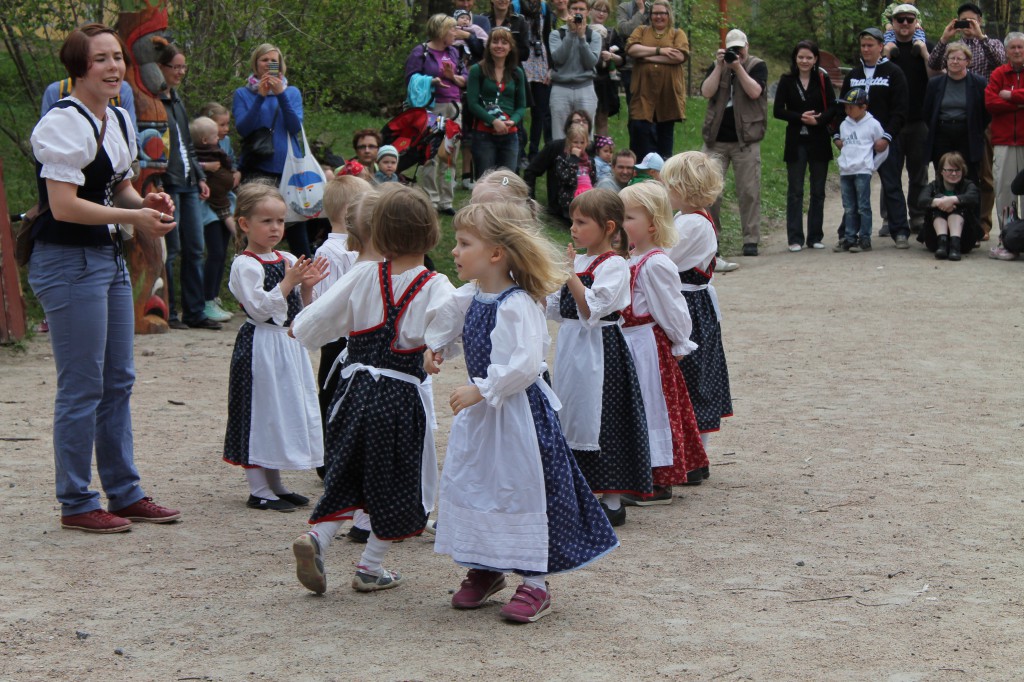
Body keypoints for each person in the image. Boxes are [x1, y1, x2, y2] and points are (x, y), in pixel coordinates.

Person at [429, 201, 618, 623]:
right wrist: (436, 347)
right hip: (483, 419)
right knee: (481, 484)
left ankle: (535, 580)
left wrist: (484, 388)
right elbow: (449, 319)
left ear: (495, 253)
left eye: (463, 244)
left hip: (516, 417)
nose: (454, 252)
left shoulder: (518, 303)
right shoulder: (472, 294)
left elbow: (527, 362)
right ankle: (487, 565)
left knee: (520, 488)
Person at [29, 22, 181, 533]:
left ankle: (124, 491)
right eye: (101, 60)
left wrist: (147, 205)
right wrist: (130, 219)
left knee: (118, 379)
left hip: (105, 260)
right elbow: (65, 206)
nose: (115, 67)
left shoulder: (116, 118)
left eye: (117, 57)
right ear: (78, 69)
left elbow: (118, 190)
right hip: (67, 262)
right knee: (82, 386)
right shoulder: (62, 123)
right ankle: (76, 501)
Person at [290, 185, 455, 594]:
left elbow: (311, 325)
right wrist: (435, 351)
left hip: (354, 392)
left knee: (347, 471)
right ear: (431, 233)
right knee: (399, 482)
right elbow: (451, 332)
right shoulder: (436, 284)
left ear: (376, 233)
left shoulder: (363, 274)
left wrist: (301, 327)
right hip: (400, 399)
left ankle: (317, 538)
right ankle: (370, 566)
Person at [546, 189, 653, 522]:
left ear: (608, 227)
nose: (573, 229)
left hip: (602, 351)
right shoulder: (577, 261)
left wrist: (571, 276)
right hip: (572, 347)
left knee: (604, 415)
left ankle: (612, 499)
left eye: (581, 222)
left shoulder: (616, 265)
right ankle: (579, 490)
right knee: (572, 410)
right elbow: (555, 307)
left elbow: (593, 307)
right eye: (572, 222)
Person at [223, 184, 327, 511]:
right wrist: (288, 282)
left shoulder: (288, 259)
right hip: (261, 346)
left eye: (280, 221)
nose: (275, 228)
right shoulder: (245, 264)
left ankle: (276, 483)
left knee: (282, 411)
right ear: (245, 224)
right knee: (261, 411)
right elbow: (259, 309)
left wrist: (306, 287)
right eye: (266, 221)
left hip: (287, 344)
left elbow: (301, 307)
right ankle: (258, 488)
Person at [618, 182, 707, 504]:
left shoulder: (655, 264)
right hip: (629, 345)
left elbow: (672, 309)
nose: (620, 223)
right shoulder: (629, 259)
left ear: (652, 224)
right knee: (636, 408)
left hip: (647, 348)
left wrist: (680, 342)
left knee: (654, 407)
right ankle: (640, 472)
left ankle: (658, 480)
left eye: (628, 217)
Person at [662, 151, 733, 469]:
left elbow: (665, 260)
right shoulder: (685, 219)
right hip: (685, 302)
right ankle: (690, 451)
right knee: (688, 377)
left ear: (683, 188)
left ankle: (696, 456)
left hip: (690, 306)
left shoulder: (693, 224)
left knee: (694, 377)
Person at [928, 3, 1007, 241]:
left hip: (985, 113)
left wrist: (980, 37)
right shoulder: (954, 47)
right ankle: (947, 217)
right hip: (956, 118)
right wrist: (944, 38)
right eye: (963, 21)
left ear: (980, 21)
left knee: (984, 172)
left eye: (971, 21)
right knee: (951, 169)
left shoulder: (991, 43)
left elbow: (1000, 62)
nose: (967, 26)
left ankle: (982, 223)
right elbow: (933, 65)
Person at [312, 175, 373, 463]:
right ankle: (330, 459)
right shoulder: (329, 252)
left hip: (365, 339)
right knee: (333, 396)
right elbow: (325, 303)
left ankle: (353, 455)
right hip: (338, 342)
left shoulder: (368, 250)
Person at [157, 44, 218, 330]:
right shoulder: (155, 102)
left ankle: (195, 312)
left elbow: (187, 147)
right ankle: (168, 312)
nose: (180, 72)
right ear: (160, 68)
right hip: (168, 183)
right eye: (175, 67)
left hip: (189, 183)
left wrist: (200, 177)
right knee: (171, 249)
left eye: (183, 67)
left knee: (196, 247)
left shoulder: (177, 100)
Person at [834, 28, 910, 249]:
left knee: (892, 185)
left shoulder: (893, 73)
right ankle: (848, 233)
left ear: (880, 47)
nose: (866, 49)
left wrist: (887, 137)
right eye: (863, 45)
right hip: (857, 143)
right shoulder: (854, 74)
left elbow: (900, 109)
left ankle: (900, 231)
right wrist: (837, 136)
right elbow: (841, 107)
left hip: (883, 139)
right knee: (854, 189)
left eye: (870, 45)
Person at [233, 43, 308, 256]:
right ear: (256, 64)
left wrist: (280, 94)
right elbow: (243, 128)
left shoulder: (291, 92)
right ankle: (250, 272)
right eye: (264, 60)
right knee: (257, 226)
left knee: (296, 229)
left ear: (281, 66)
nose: (269, 64)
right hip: (258, 168)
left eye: (274, 61)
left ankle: (307, 281)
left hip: (289, 169)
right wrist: (261, 97)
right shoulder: (243, 94)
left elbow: (295, 127)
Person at [700, 29, 768, 257]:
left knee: (748, 191)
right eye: (733, 49)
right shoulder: (718, 65)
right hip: (716, 140)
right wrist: (720, 67)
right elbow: (706, 91)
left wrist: (737, 67)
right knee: (710, 193)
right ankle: (712, 238)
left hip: (745, 140)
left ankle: (751, 239)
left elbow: (755, 92)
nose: (737, 53)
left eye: (740, 48)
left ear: (747, 46)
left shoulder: (757, 66)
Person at [774, 40, 837, 251]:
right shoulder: (787, 80)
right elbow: (778, 110)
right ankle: (795, 238)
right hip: (796, 140)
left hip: (819, 140)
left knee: (818, 190)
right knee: (795, 190)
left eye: (809, 57)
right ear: (795, 58)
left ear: (815, 59)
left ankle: (815, 236)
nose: (804, 61)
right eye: (801, 57)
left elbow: (833, 108)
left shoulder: (822, 79)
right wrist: (799, 117)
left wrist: (818, 120)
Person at [404, 15, 467, 216]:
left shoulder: (455, 52)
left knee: (449, 155)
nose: (455, 34)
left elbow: (464, 78)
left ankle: (446, 199)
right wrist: (432, 81)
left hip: (453, 107)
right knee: (430, 154)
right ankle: (431, 197)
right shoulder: (421, 52)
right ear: (441, 31)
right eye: (452, 30)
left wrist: (451, 77)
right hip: (431, 108)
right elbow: (410, 79)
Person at [882, 4, 936, 235]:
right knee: (889, 174)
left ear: (916, 23)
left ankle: (918, 216)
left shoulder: (926, 46)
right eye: (900, 20)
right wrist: (885, 53)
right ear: (892, 23)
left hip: (918, 120)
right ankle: (890, 219)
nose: (905, 24)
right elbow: (873, 76)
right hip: (891, 122)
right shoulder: (883, 48)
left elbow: (935, 77)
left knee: (919, 173)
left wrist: (924, 53)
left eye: (909, 20)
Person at [625, 0, 689, 160]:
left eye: (662, 13)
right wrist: (661, 50)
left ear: (669, 15)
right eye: (655, 13)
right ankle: (640, 170)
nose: (658, 17)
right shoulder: (641, 30)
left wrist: (647, 58)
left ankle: (664, 174)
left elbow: (679, 56)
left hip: (667, 93)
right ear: (650, 15)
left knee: (665, 135)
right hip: (643, 91)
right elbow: (632, 49)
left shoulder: (677, 33)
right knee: (639, 129)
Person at [922, 42, 989, 183]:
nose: (954, 61)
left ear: (968, 62)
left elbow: (985, 113)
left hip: (968, 135)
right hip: (942, 135)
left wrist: (976, 129)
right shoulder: (935, 83)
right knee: (943, 176)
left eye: (959, 58)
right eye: (951, 58)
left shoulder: (979, 83)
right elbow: (927, 112)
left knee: (968, 177)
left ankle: (966, 205)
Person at [198, 102, 240, 324]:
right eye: (221, 125)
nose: (225, 129)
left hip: (226, 200)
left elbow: (230, 161)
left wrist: (235, 172)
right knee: (214, 251)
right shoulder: (198, 144)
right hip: (209, 207)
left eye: (226, 124)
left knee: (222, 252)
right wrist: (206, 168)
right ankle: (205, 300)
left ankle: (213, 296)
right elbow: (192, 165)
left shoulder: (225, 142)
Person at [466, 26, 528, 178]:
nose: (499, 46)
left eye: (504, 42)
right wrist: (493, 121)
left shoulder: (517, 72)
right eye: (495, 42)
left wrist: (512, 121)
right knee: (485, 179)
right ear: (489, 45)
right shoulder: (477, 70)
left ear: (510, 47)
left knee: (507, 180)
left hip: (510, 133)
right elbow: (472, 103)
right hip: (484, 133)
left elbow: (521, 106)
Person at [834, 88, 889, 253]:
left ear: (863, 107)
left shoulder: (873, 124)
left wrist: (872, 165)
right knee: (849, 206)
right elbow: (844, 146)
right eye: (846, 107)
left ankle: (865, 238)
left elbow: (883, 149)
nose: (848, 110)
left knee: (863, 206)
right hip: (846, 171)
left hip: (862, 171)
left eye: (852, 107)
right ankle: (850, 237)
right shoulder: (844, 124)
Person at [985, 32, 1024, 258]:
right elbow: (990, 102)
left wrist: (1010, 95)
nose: (1017, 51)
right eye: (1013, 48)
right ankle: (1007, 240)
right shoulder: (999, 73)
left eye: (1020, 47)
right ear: (1006, 52)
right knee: (1005, 192)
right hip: (1004, 141)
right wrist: (1019, 104)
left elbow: (1001, 99)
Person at [547, 0, 601, 139]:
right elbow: (558, 59)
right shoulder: (556, 34)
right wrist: (571, 34)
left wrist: (582, 37)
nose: (578, 12)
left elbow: (591, 62)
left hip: (585, 87)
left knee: (585, 133)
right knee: (559, 134)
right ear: (569, 11)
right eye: (574, 9)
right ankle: (560, 159)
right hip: (561, 88)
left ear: (588, 12)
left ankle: (584, 160)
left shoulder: (593, 35)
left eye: (581, 9)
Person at [524, 109, 593, 217]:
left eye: (584, 122)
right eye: (577, 121)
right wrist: (531, 200)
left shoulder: (589, 150)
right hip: (563, 203)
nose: (581, 124)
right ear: (568, 127)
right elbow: (531, 171)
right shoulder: (555, 147)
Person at [917, 151, 981, 260]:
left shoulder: (969, 185)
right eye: (950, 170)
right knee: (937, 209)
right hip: (934, 242)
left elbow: (974, 198)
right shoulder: (933, 185)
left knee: (957, 208)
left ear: (963, 170)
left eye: (957, 170)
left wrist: (952, 200)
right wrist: (939, 202)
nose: (954, 174)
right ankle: (942, 242)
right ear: (941, 171)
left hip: (964, 241)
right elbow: (921, 200)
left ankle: (955, 245)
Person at [589, 0, 623, 136]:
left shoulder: (612, 33)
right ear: (590, 10)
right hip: (586, 80)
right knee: (585, 120)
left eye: (605, 11)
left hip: (604, 81)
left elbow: (622, 59)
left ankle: (601, 153)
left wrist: (612, 57)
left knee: (602, 119)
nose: (601, 13)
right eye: (598, 9)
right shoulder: (582, 30)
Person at [554, 123, 597, 220]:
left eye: (582, 142)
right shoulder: (563, 159)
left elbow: (593, 180)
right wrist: (574, 159)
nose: (579, 145)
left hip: (588, 194)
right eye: (575, 142)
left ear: (587, 143)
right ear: (569, 142)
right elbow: (568, 180)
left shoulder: (590, 161)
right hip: (571, 196)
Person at [615, 0, 650, 110]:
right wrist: (641, 11)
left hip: (651, 64)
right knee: (634, 108)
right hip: (631, 67)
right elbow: (625, 30)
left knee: (652, 107)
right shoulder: (624, 8)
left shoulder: (655, 8)